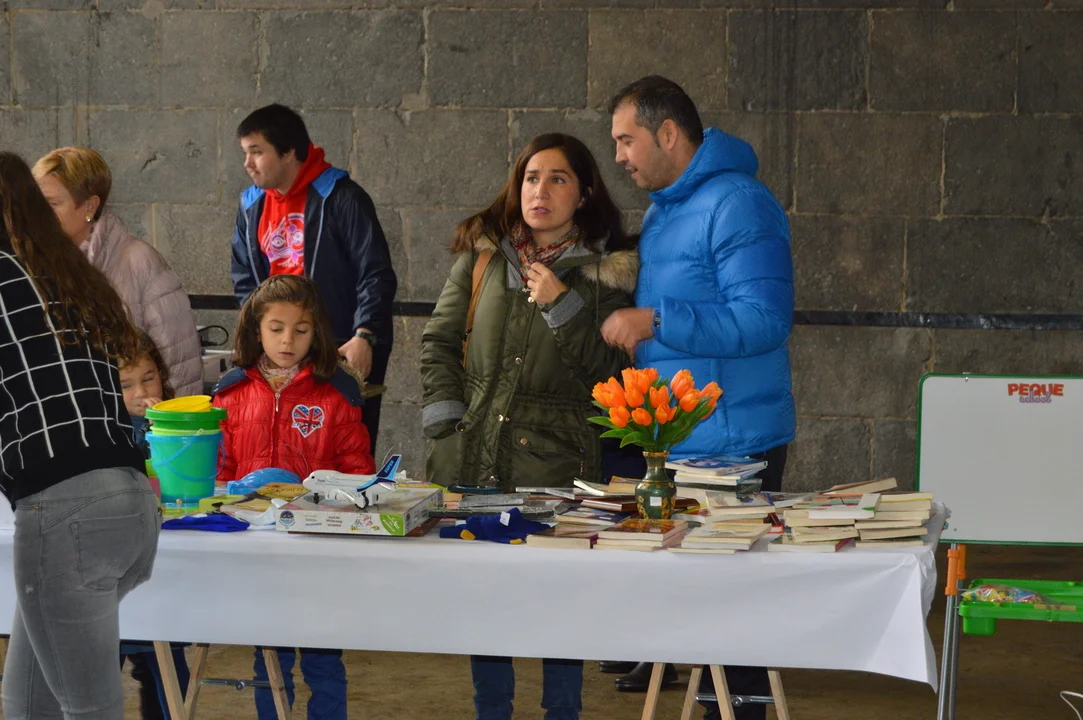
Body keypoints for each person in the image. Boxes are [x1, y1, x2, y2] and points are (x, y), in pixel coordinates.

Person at [421, 133, 638, 720]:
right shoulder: (484, 258)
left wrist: (562, 304)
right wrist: (446, 422)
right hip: (476, 461)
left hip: (558, 469)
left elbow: (612, 378)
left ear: (584, 193)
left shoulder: (607, 273)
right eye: (531, 178)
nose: (540, 191)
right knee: (486, 608)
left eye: (557, 179)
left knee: (555, 608)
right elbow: (438, 341)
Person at [601, 76, 796, 717]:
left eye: (626, 141)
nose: (619, 157)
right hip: (687, 440)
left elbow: (765, 319)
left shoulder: (739, 203)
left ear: (667, 133)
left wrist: (656, 321)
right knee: (708, 606)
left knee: (733, 604)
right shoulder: (665, 210)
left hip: (736, 441)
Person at [0, 151, 161, 719]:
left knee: (88, 710)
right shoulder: (67, 274)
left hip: (66, 516)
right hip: (130, 504)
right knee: (27, 704)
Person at [212, 274, 375, 720]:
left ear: (316, 331)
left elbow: (358, 474)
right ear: (256, 330)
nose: (288, 340)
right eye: (276, 328)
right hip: (258, 551)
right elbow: (220, 476)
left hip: (318, 547)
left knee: (323, 656)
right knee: (269, 658)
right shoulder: (230, 393)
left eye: (300, 330)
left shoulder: (336, 393)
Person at [231, 104, 397, 448]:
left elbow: (375, 271)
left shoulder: (341, 196)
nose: (247, 163)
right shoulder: (250, 205)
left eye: (257, 152)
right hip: (277, 348)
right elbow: (244, 276)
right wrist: (259, 334)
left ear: (289, 152)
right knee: (279, 447)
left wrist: (365, 334)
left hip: (340, 346)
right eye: (245, 153)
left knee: (343, 449)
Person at [32, 147, 203, 397]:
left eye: (52, 203)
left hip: (136, 417)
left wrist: (174, 418)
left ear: (89, 206)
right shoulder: (31, 266)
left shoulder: (138, 261)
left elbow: (177, 359)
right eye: (35, 203)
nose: (39, 214)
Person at [117, 330, 191, 720]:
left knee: (165, 669)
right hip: (114, 568)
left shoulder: (180, 423)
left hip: (164, 567)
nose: (141, 392)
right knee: (102, 665)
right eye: (126, 385)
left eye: (149, 378)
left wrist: (167, 427)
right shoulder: (101, 429)